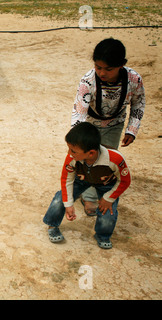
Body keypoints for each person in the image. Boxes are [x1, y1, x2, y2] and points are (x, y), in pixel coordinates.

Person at [71, 38, 145, 215]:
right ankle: (89, 197)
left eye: (108, 69)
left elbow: (138, 103)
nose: (102, 73)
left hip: (114, 125)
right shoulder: (88, 81)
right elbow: (79, 108)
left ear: (122, 65)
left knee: (104, 160)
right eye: (98, 67)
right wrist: (78, 136)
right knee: (88, 159)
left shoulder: (134, 79)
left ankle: (102, 193)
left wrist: (131, 130)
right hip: (89, 125)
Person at [43, 122, 131, 249]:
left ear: (91, 153)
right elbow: (66, 180)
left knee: (108, 213)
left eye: (73, 151)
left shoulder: (115, 159)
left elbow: (125, 181)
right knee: (60, 198)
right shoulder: (72, 158)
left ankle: (102, 235)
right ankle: (52, 225)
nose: (69, 153)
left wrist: (108, 198)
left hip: (106, 184)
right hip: (82, 180)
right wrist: (68, 204)